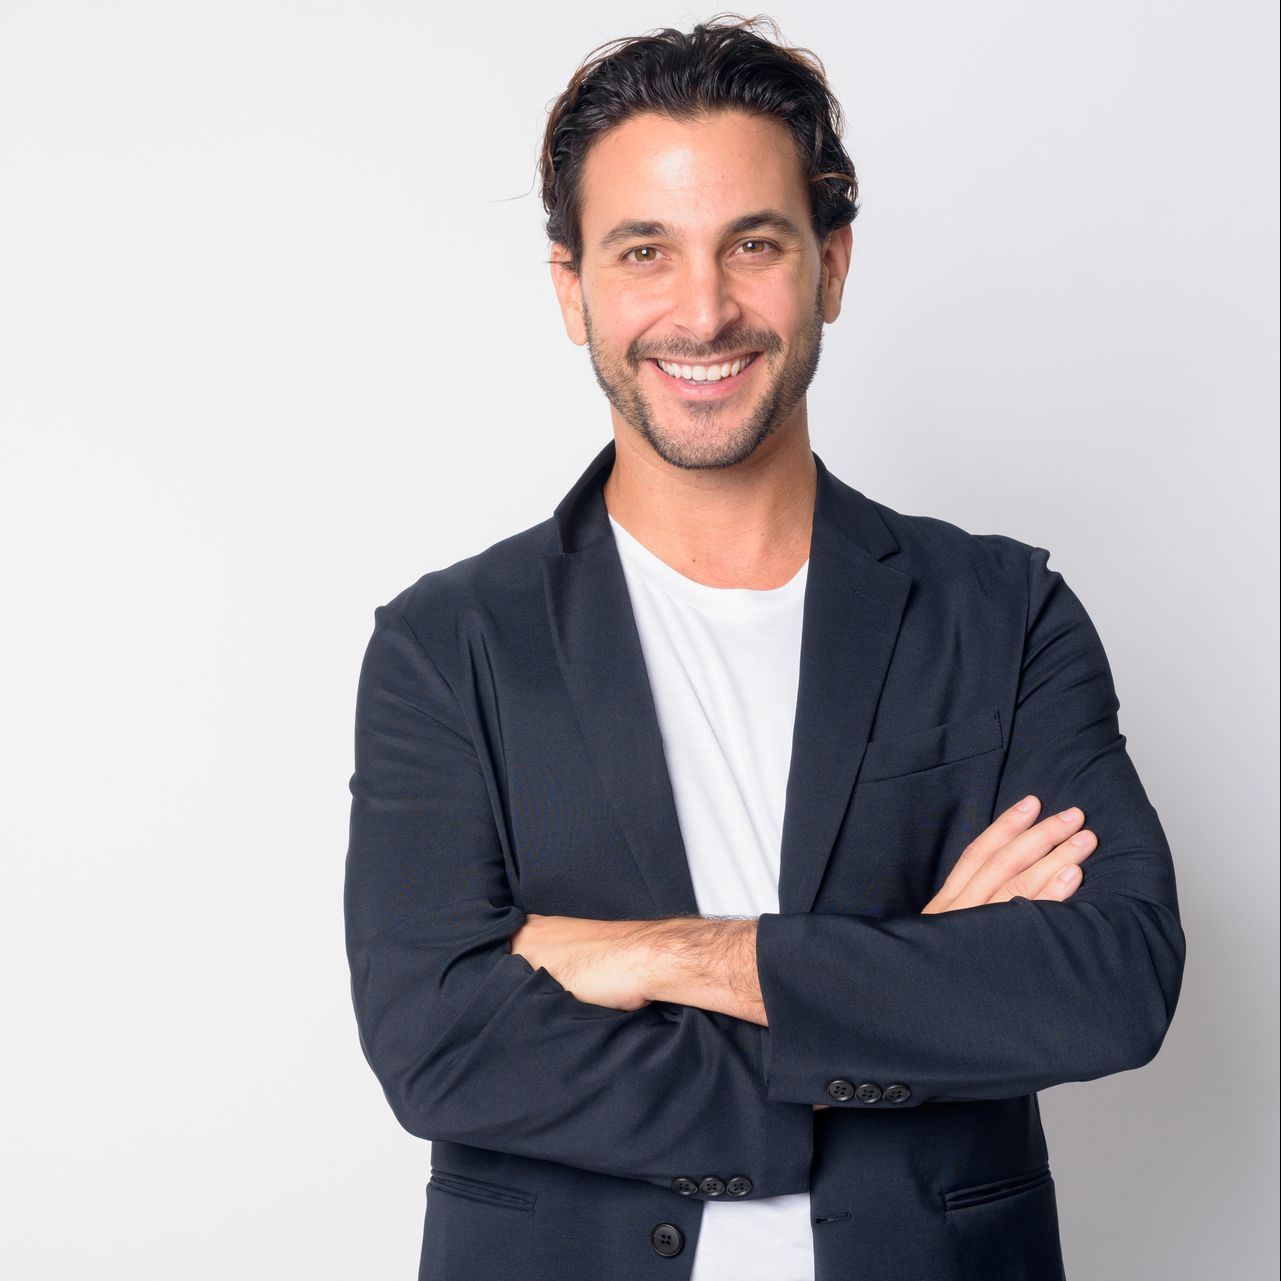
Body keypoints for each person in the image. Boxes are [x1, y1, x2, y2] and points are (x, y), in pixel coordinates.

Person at [343, 16, 1186, 1281]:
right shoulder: (447, 645)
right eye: (645, 250)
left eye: (754, 244)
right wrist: (912, 973)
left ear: (830, 266)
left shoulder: (1001, 611)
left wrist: (664, 953)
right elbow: (441, 1046)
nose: (704, 311)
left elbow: (1110, 982)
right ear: (573, 289)